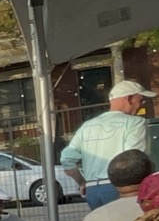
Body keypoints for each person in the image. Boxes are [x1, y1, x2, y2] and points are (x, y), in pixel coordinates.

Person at [60, 80, 153, 208]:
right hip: (120, 188)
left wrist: (82, 182)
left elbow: (66, 159)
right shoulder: (135, 122)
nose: (141, 105)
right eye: (141, 100)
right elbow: (133, 159)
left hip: (92, 190)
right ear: (129, 99)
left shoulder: (87, 126)